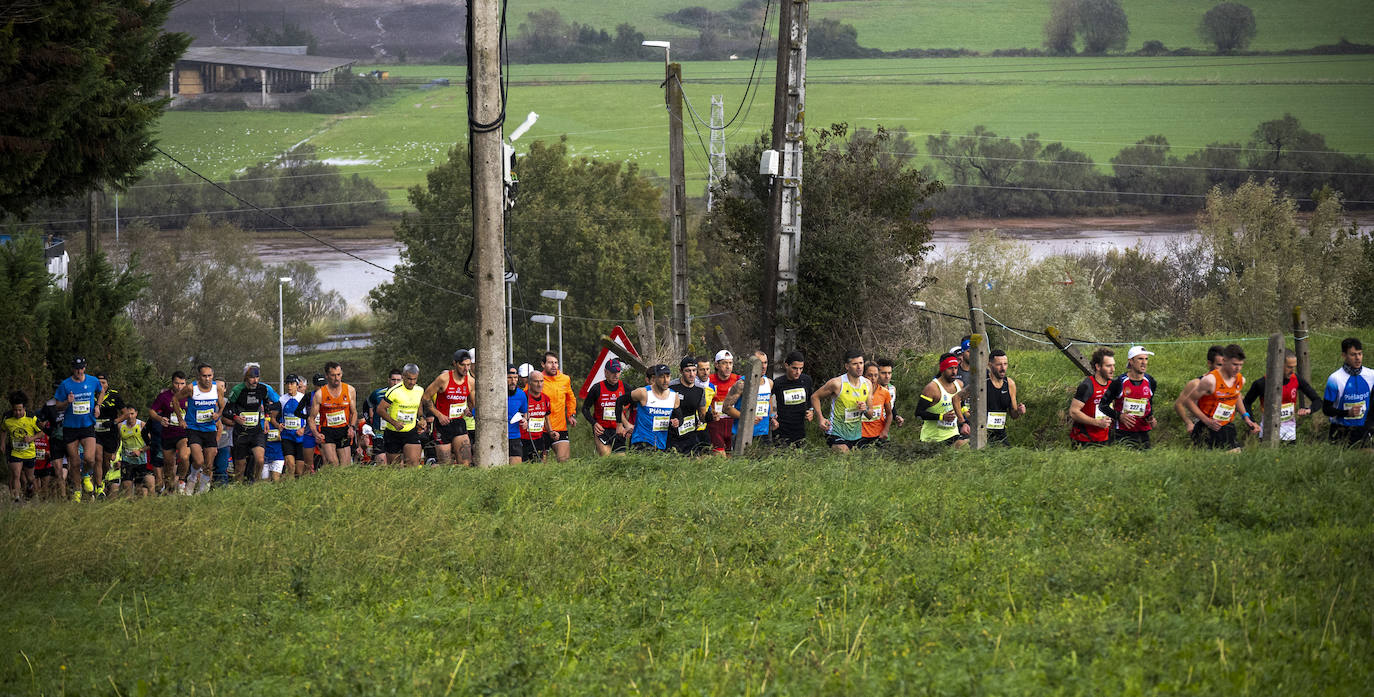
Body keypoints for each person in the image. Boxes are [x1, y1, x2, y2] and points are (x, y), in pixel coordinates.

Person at [1184, 343, 1259, 451]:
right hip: (1207, 428)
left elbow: (1236, 397)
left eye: (1241, 365)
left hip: (1227, 426)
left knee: (1233, 462)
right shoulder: (1210, 380)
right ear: (1224, 361)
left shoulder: (1240, 379)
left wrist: (1246, 418)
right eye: (1234, 364)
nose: (1238, 368)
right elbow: (1188, 401)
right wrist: (1207, 421)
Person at [1242, 349, 1322, 445]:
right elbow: (1246, 402)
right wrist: (1252, 422)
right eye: (1289, 367)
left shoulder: (1296, 379)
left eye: (1294, 367)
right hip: (1267, 433)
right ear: (1279, 365)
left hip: (1289, 434)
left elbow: (1317, 400)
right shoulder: (1262, 383)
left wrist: (1309, 410)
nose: (1292, 371)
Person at [54, 357, 103, 501]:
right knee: (74, 462)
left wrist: (98, 406)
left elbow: (102, 391)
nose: (79, 371)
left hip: (87, 425)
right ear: (72, 368)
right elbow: (57, 405)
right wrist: (66, 403)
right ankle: (77, 491)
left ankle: (86, 475)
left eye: (81, 368)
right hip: (70, 427)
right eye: (76, 368)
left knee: (90, 459)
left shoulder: (93, 381)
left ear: (85, 367)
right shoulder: (65, 384)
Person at [812, 350, 877, 452]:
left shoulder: (867, 384)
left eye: (861, 363)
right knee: (843, 452)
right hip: (836, 431)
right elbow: (815, 397)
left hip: (855, 434)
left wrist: (865, 409)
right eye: (855, 364)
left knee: (853, 464)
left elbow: (870, 415)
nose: (859, 367)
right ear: (847, 366)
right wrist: (820, 418)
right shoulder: (837, 383)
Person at [173, 364, 225, 494]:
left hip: (210, 429)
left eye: (209, 376)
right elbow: (175, 399)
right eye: (204, 376)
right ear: (199, 377)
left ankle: (201, 492)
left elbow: (222, 405)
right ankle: (191, 479)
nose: (207, 379)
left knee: (208, 464)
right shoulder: (191, 388)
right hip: (194, 428)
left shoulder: (216, 388)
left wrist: (217, 414)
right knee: (199, 460)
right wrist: (181, 419)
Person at [224, 363, 280, 482]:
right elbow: (226, 411)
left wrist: (266, 418)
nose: (255, 380)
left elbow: (266, 403)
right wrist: (235, 417)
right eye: (252, 378)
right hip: (241, 432)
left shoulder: (262, 389)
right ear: (246, 377)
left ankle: (255, 482)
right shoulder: (237, 390)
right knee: (240, 466)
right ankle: (238, 488)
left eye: (257, 377)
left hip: (256, 431)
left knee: (260, 459)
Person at [1098, 346, 1157, 449]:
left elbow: (1148, 404)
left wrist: (1150, 418)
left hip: (1143, 434)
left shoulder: (1151, 381)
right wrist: (1119, 416)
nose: (1144, 362)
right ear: (1131, 361)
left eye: (1146, 359)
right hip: (1121, 434)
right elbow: (1102, 406)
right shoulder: (1119, 382)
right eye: (1140, 359)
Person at [424, 351, 476, 466]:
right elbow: (426, 398)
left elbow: (473, 401)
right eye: (462, 365)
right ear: (455, 364)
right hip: (443, 424)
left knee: (466, 462)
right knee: (445, 464)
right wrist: (438, 415)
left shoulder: (471, 382)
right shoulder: (443, 379)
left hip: (459, 423)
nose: (466, 368)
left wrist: (468, 409)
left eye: (468, 365)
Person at [1321, 337, 1372, 447]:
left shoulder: (1371, 375)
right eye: (1353, 355)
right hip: (1340, 431)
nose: (1358, 358)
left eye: (1360, 354)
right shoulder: (1335, 379)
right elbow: (1326, 409)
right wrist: (1346, 413)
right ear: (1344, 355)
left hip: (1362, 430)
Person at [376, 363, 426, 467]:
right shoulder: (394, 391)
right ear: (403, 376)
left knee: (413, 465)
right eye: (409, 379)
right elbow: (380, 409)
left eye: (414, 379)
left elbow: (419, 405)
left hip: (410, 432)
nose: (412, 382)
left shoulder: (419, 390)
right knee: (395, 468)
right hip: (393, 433)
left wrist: (421, 418)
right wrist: (394, 423)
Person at [623, 364, 681, 452]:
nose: (664, 380)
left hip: (661, 442)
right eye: (661, 377)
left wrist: (676, 422)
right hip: (641, 440)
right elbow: (620, 403)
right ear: (651, 379)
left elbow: (679, 417)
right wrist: (624, 424)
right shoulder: (643, 393)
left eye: (667, 376)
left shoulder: (673, 395)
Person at [310, 361, 357, 466]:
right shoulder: (320, 394)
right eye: (333, 375)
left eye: (339, 374)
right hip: (327, 430)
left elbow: (354, 412)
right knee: (333, 462)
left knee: (346, 465)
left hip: (344, 429)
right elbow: (311, 418)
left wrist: (352, 427)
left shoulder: (350, 390)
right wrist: (315, 433)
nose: (336, 378)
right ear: (327, 376)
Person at [917, 353, 969, 447]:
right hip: (932, 439)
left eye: (956, 368)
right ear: (943, 369)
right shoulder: (932, 388)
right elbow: (918, 413)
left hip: (953, 435)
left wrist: (965, 418)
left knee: (968, 446)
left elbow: (960, 404)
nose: (954, 372)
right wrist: (941, 417)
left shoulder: (959, 384)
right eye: (950, 368)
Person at [150, 372, 190, 494]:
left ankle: (182, 480)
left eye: (182, 383)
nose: (179, 386)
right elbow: (152, 411)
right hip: (167, 434)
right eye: (177, 383)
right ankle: (169, 489)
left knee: (184, 456)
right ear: (172, 383)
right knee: (168, 464)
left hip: (184, 434)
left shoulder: (190, 395)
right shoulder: (164, 396)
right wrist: (160, 419)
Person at [726, 351, 775, 448]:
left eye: (765, 363)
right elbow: (726, 407)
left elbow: (768, 402)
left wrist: (772, 417)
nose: (764, 366)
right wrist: (748, 418)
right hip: (743, 433)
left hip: (763, 433)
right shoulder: (741, 384)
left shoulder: (769, 383)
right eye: (760, 363)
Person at [1069, 348, 1115, 448]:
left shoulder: (1112, 384)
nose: (1113, 369)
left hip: (1106, 438)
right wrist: (1097, 422)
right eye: (1108, 366)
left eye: (1113, 365)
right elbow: (1073, 412)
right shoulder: (1087, 386)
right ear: (1098, 366)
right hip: (1084, 440)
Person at [1174, 345, 1225, 436]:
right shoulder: (1196, 383)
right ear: (1210, 363)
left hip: (1222, 425)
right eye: (1219, 365)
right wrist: (1189, 423)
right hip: (1202, 426)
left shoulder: (1229, 383)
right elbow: (1178, 404)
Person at [583, 358, 630, 455]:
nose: (616, 375)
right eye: (612, 372)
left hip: (619, 429)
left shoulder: (626, 387)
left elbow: (634, 407)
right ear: (605, 372)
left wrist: (628, 425)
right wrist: (594, 423)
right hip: (602, 430)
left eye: (618, 372)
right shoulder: (597, 388)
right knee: (606, 459)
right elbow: (585, 409)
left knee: (621, 461)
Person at [538, 352, 577, 463]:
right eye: (550, 363)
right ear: (543, 364)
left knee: (564, 461)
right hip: (541, 429)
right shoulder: (538, 379)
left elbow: (570, 398)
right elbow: (526, 397)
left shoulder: (565, 379)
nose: (554, 365)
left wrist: (571, 414)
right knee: (540, 465)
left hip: (560, 427)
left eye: (556, 363)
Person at [668, 357, 712, 454]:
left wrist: (711, 416)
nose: (692, 374)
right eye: (688, 371)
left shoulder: (700, 390)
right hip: (672, 434)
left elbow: (702, 416)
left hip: (690, 432)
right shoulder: (671, 387)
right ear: (681, 371)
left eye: (694, 370)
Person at [771, 351, 815, 448]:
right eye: (794, 368)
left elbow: (811, 398)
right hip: (782, 429)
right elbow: (767, 397)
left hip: (800, 428)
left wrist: (811, 411)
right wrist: (771, 415)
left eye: (801, 368)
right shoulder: (778, 383)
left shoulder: (806, 380)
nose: (798, 372)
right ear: (787, 365)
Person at [91, 372, 124, 497]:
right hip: (95, 432)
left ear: (107, 383)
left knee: (106, 462)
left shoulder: (114, 395)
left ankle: (103, 479)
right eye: (98, 383)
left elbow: (125, 413)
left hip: (110, 433)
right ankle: (99, 487)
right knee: (97, 458)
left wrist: (114, 422)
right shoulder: (91, 395)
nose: (101, 386)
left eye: (103, 383)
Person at [984, 349, 1026, 446]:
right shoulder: (982, 382)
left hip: (1000, 433)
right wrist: (964, 421)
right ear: (990, 365)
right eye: (999, 364)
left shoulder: (1010, 383)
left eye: (1005, 364)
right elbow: (958, 399)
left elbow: (1013, 415)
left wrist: (1019, 412)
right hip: (982, 433)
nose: (1003, 368)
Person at [3, 392, 40, 503]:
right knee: (16, 474)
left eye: (20, 410)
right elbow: (3, 430)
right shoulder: (7, 417)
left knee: (30, 478)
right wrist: (2, 443)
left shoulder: (32, 417)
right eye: (15, 410)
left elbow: (42, 432)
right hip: (15, 452)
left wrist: (31, 438)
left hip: (29, 453)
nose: (17, 413)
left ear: (24, 408)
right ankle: (17, 498)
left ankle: (36, 496)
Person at [365, 368, 403, 466]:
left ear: (402, 381)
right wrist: (369, 422)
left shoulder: (405, 395)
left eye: (398, 380)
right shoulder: (377, 393)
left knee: (397, 463)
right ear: (388, 380)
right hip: (379, 432)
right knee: (382, 462)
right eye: (393, 380)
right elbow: (367, 404)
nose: (395, 382)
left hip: (397, 432)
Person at [705, 350, 741, 454]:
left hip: (732, 424)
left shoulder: (738, 380)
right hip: (715, 425)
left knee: (731, 457)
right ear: (716, 364)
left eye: (730, 363)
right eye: (724, 363)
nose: (728, 366)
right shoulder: (708, 380)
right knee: (720, 458)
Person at [116, 405, 154, 497]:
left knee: (139, 488)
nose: (130, 416)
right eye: (128, 414)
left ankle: (139, 507)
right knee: (126, 485)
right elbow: (117, 444)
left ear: (136, 414)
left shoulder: (142, 425)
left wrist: (140, 451)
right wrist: (117, 458)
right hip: (126, 460)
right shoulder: (120, 426)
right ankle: (128, 506)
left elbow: (151, 443)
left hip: (140, 460)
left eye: (132, 414)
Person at [519, 369, 554, 462]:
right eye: (536, 381)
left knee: (540, 467)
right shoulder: (522, 397)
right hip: (523, 440)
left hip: (539, 439)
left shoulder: (546, 398)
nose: (539, 384)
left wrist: (551, 432)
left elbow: (546, 418)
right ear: (529, 383)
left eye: (541, 381)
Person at [278, 376, 308, 478]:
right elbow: (278, 416)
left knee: (299, 471)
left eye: (292, 384)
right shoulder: (282, 399)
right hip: (287, 437)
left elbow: (310, 417)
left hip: (301, 438)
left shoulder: (303, 398)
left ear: (297, 385)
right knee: (290, 465)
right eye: (288, 384)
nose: (289, 386)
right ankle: (289, 487)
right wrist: (279, 425)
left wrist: (304, 429)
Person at [859, 362, 894, 448]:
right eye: (870, 375)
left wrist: (885, 431)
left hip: (878, 435)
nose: (873, 378)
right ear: (863, 376)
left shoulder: (884, 392)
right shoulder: (857, 392)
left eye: (876, 375)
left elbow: (889, 414)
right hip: (859, 436)